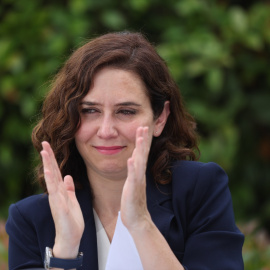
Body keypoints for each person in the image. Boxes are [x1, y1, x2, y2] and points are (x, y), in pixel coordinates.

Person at [6, 31, 244, 270]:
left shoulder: (199, 189)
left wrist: (142, 225)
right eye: (90, 110)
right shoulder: (30, 220)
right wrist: (65, 253)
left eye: (126, 111)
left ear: (160, 118)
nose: (106, 130)